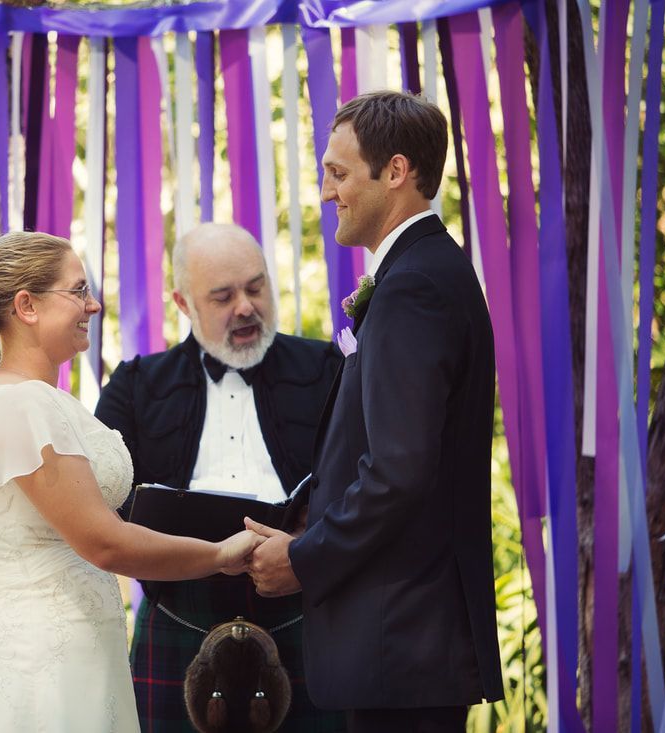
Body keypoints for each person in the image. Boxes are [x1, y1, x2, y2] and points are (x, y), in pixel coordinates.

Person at [0, 232, 262, 732]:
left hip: (67, 650)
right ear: (27, 305)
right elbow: (102, 542)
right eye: (78, 290)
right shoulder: (20, 405)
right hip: (33, 664)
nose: (93, 304)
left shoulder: (37, 399)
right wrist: (219, 556)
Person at [245, 91, 505, 733]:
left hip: (401, 639)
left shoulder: (414, 286)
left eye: (338, 173)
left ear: (395, 171)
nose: (325, 191)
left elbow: (398, 471)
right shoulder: (423, 273)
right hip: (404, 644)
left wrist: (304, 559)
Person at [95, 222, 345, 732]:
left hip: (302, 606)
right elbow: (103, 507)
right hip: (179, 612)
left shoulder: (327, 368)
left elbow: (360, 482)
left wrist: (304, 545)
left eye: (255, 288)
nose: (246, 307)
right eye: (223, 296)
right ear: (183, 304)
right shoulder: (135, 387)